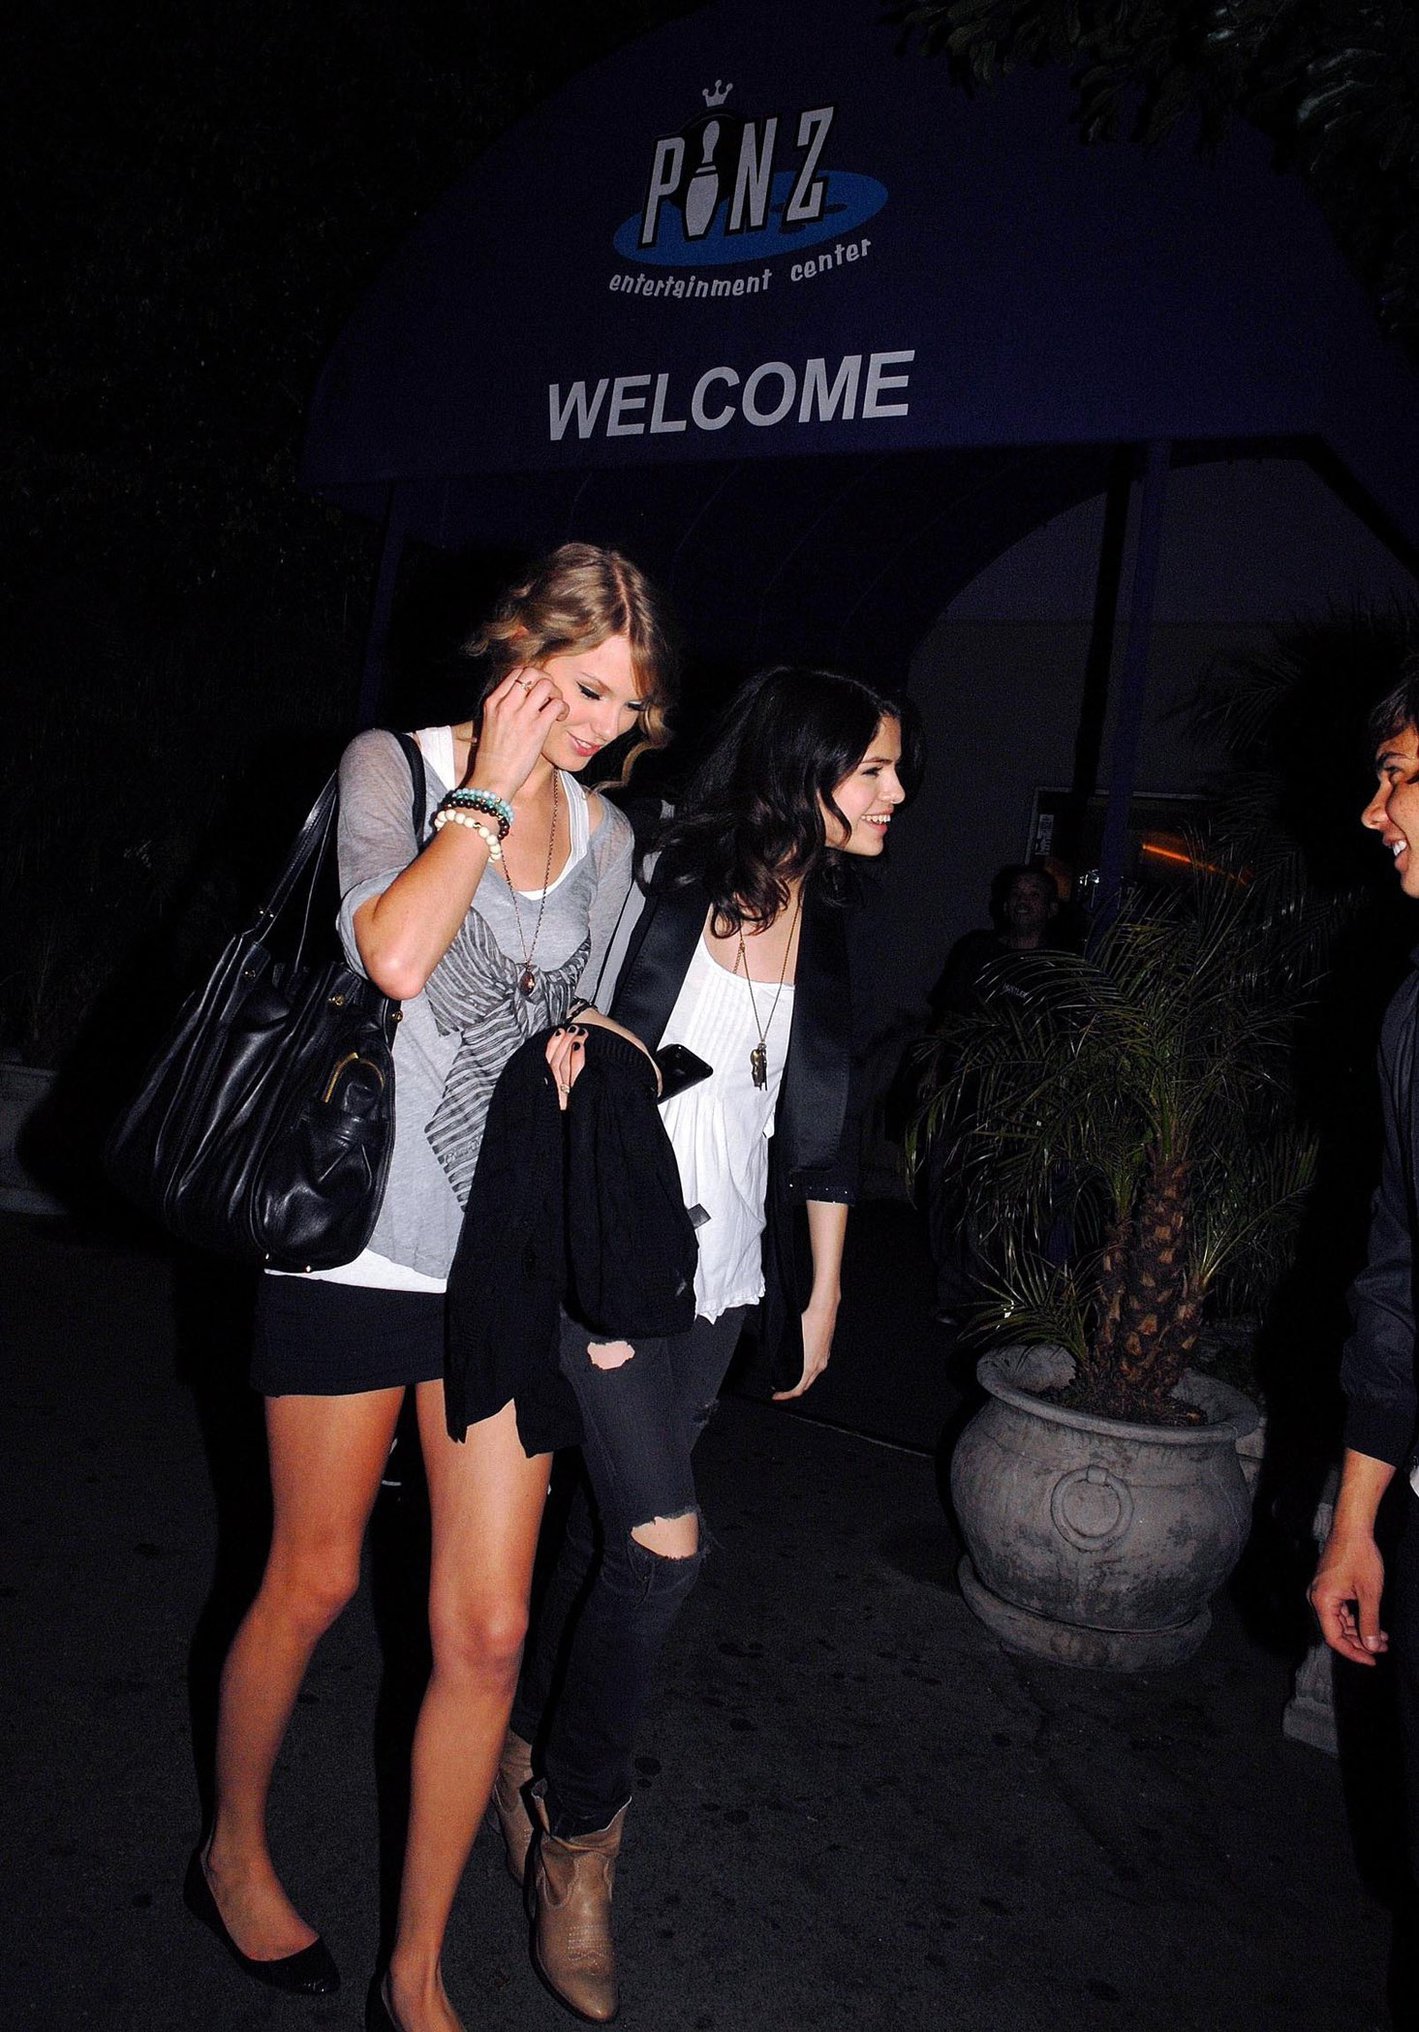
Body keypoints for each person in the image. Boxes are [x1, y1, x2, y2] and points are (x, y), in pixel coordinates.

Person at [182, 544, 676, 2032]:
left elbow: (583, 1024)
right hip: (353, 1236)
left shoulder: (609, 839)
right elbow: (391, 955)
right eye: (580, 689)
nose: (597, 726)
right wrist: (488, 786)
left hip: (499, 1268)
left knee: (487, 1634)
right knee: (316, 1576)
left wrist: (600, 1056)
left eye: (623, 706)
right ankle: (231, 1846)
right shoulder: (390, 766)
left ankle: (416, 1967)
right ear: (519, 648)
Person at [488, 665, 921, 2023]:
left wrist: (822, 1295)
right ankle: (578, 1834)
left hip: (724, 1287)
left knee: (603, 1539)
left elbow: (824, 1129)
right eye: (872, 771)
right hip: (609, 1276)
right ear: (800, 769)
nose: (896, 794)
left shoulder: (829, 921)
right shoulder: (661, 876)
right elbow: (557, 1054)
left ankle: (518, 1747)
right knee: (665, 1552)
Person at [1310, 659, 1419, 2001]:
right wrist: (1355, 1518)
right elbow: (1394, 1277)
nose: (1369, 809)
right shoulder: (1410, 1009)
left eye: (1397, 774)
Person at [921, 863, 1064, 1322]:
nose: (1024, 900)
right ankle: (955, 1295)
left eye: (1035, 894)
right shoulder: (977, 952)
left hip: (1024, 1104)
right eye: (1017, 893)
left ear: (1051, 907)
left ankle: (1008, 1299)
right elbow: (948, 1015)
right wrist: (932, 1073)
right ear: (1004, 904)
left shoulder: (1063, 968)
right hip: (966, 1093)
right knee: (950, 1191)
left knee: (1014, 1202)